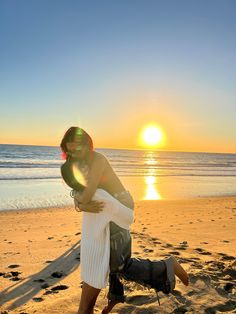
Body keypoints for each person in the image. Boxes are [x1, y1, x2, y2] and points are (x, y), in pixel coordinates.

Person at [60, 127, 189, 314]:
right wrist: (80, 202)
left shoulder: (97, 159)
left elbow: (88, 195)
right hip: (104, 208)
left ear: (88, 146)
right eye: (70, 151)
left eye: (78, 150)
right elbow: (80, 193)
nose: (74, 155)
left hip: (120, 205)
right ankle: (113, 296)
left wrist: (82, 203)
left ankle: (167, 266)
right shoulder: (72, 165)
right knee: (115, 261)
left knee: (118, 262)